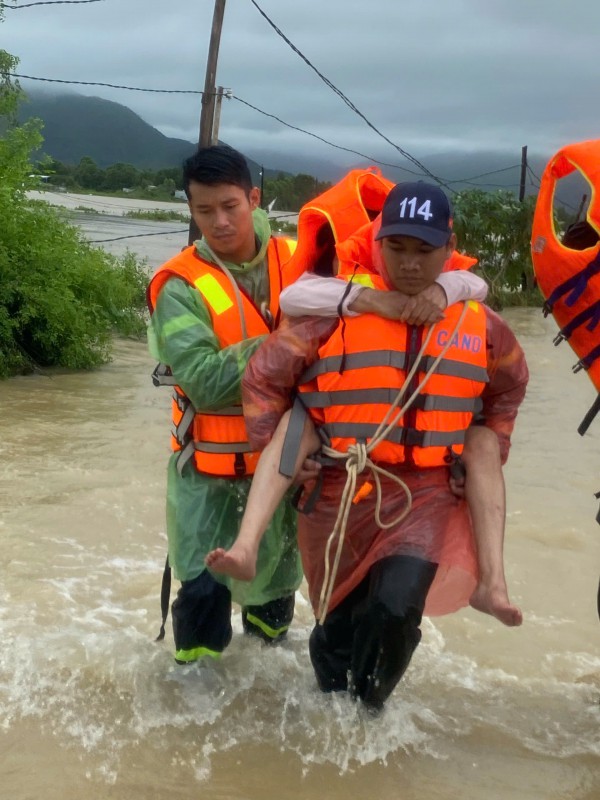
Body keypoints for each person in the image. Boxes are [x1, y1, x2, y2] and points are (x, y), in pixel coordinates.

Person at [208, 181, 529, 711]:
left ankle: (369, 718)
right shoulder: (333, 311)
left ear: (449, 250)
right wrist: (284, 449)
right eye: (396, 248)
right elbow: (264, 378)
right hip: (337, 492)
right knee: (336, 627)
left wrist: (486, 447)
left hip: (423, 497)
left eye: (424, 251)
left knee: (397, 608)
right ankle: (333, 720)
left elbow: (509, 386)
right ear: (377, 245)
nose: (408, 264)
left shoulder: (480, 324)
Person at [147, 144, 306, 663]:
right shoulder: (179, 286)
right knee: (199, 621)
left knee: (274, 621)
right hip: (207, 481)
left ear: (253, 197)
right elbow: (206, 383)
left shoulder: (302, 260)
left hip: (284, 478)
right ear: (189, 209)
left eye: (230, 207)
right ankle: (191, 727)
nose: (217, 222)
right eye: (203, 210)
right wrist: (286, 339)